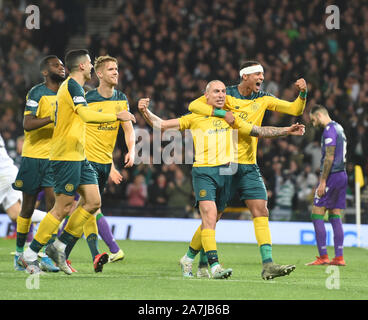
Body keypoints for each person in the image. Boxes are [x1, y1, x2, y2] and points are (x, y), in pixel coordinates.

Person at [138, 80, 305, 279]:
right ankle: (215, 266)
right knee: (209, 216)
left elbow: (258, 131)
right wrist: (145, 112)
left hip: (227, 173)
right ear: (206, 96)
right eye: (216, 91)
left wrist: (286, 130)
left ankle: (188, 258)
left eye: (224, 92)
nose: (220, 95)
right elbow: (162, 126)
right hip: (204, 173)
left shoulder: (231, 119)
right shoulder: (196, 117)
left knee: (213, 219)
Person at [17, 49, 136, 275]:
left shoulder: (77, 87)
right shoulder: (71, 86)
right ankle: (30, 255)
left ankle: (59, 247)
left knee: (93, 202)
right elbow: (86, 115)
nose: (91, 66)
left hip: (79, 156)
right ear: (82, 66)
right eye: (90, 63)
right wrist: (116, 116)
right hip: (65, 156)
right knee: (61, 208)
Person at [188, 61, 306, 280]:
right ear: (246, 77)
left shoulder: (264, 98)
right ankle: (196, 259)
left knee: (261, 210)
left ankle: (268, 264)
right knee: (214, 217)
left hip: (249, 165)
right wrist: (223, 114)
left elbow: (294, 109)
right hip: (224, 163)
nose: (262, 77)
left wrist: (303, 94)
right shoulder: (227, 95)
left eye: (263, 73)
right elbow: (194, 106)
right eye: (258, 73)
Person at [62, 55, 135, 265]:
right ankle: (66, 252)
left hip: (104, 161)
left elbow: (128, 127)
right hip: (85, 160)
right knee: (88, 206)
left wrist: (131, 149)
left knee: (86, 208)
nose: (116, 72)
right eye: (111, 69)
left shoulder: (121, 98)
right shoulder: (88, 99)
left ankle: (61, 252)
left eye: (117, 69)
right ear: (100, 73)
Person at [12, 55, 65, 273]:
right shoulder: (36, 92)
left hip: (54, 158)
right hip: (33, 157)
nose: (61, 68)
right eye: (56, 65)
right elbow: (27, 122)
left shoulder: (66, 94)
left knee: (53, 207)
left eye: (62, 65)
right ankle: (18, 254)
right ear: (45, 72)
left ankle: (42, 254)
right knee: (27, 207)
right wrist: (51, 118)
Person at [306, 105, 347, 266]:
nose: (313, 122)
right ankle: (339, 257)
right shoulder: (339, 128)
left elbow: (329, 157)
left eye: (313, 119)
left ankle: (323, 256)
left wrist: (322, 181)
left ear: (320, 115)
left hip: (332, 176)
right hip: (342, 174)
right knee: (335, 214)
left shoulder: (329, 130)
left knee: (316, 213)